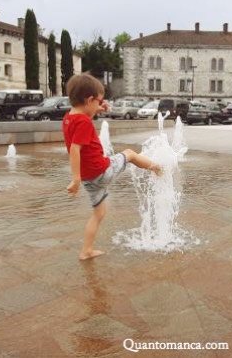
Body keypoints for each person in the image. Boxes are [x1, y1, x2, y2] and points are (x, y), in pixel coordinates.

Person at [64, 74, 163, 260]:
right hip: (101, 171)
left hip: (89, 179)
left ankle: (86, 251)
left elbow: (84, 117)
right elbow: (75, 150)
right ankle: (157, 168)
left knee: (99, 213)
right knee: (130, 154)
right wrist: (74, 178)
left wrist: (98, 109)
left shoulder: (69, 117)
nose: (100, 105)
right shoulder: (84, 122)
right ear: (89, 99)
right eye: (99, 101)